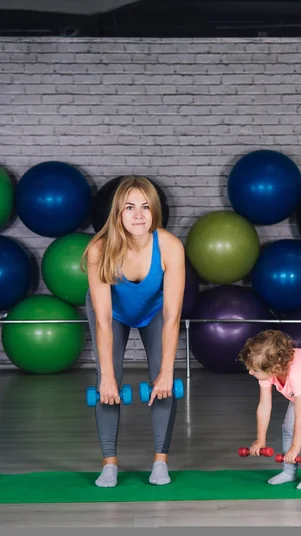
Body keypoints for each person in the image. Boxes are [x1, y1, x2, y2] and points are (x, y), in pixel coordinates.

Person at [82, 176, 185, 488]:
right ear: (117, 212)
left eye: (144, 206)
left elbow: (172, 314)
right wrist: (109, 377)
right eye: (129, 207)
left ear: (154, 210)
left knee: (163, 379)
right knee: (106, 380)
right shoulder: (99, 250)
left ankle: (160, 462)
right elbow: (101, 319)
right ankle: (109, 464)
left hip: (155, 312)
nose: (138, 214)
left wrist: (167, 371)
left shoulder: (169, 246)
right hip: (111, 313)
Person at [238, 330, 301, 490]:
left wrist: (295, 448)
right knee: (287, 428)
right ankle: (289, 472)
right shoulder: (269, 372)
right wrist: (260, 439)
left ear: (275, 368)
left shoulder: (297, 374)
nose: (251, 372)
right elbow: (264, 406)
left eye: (255, 370)